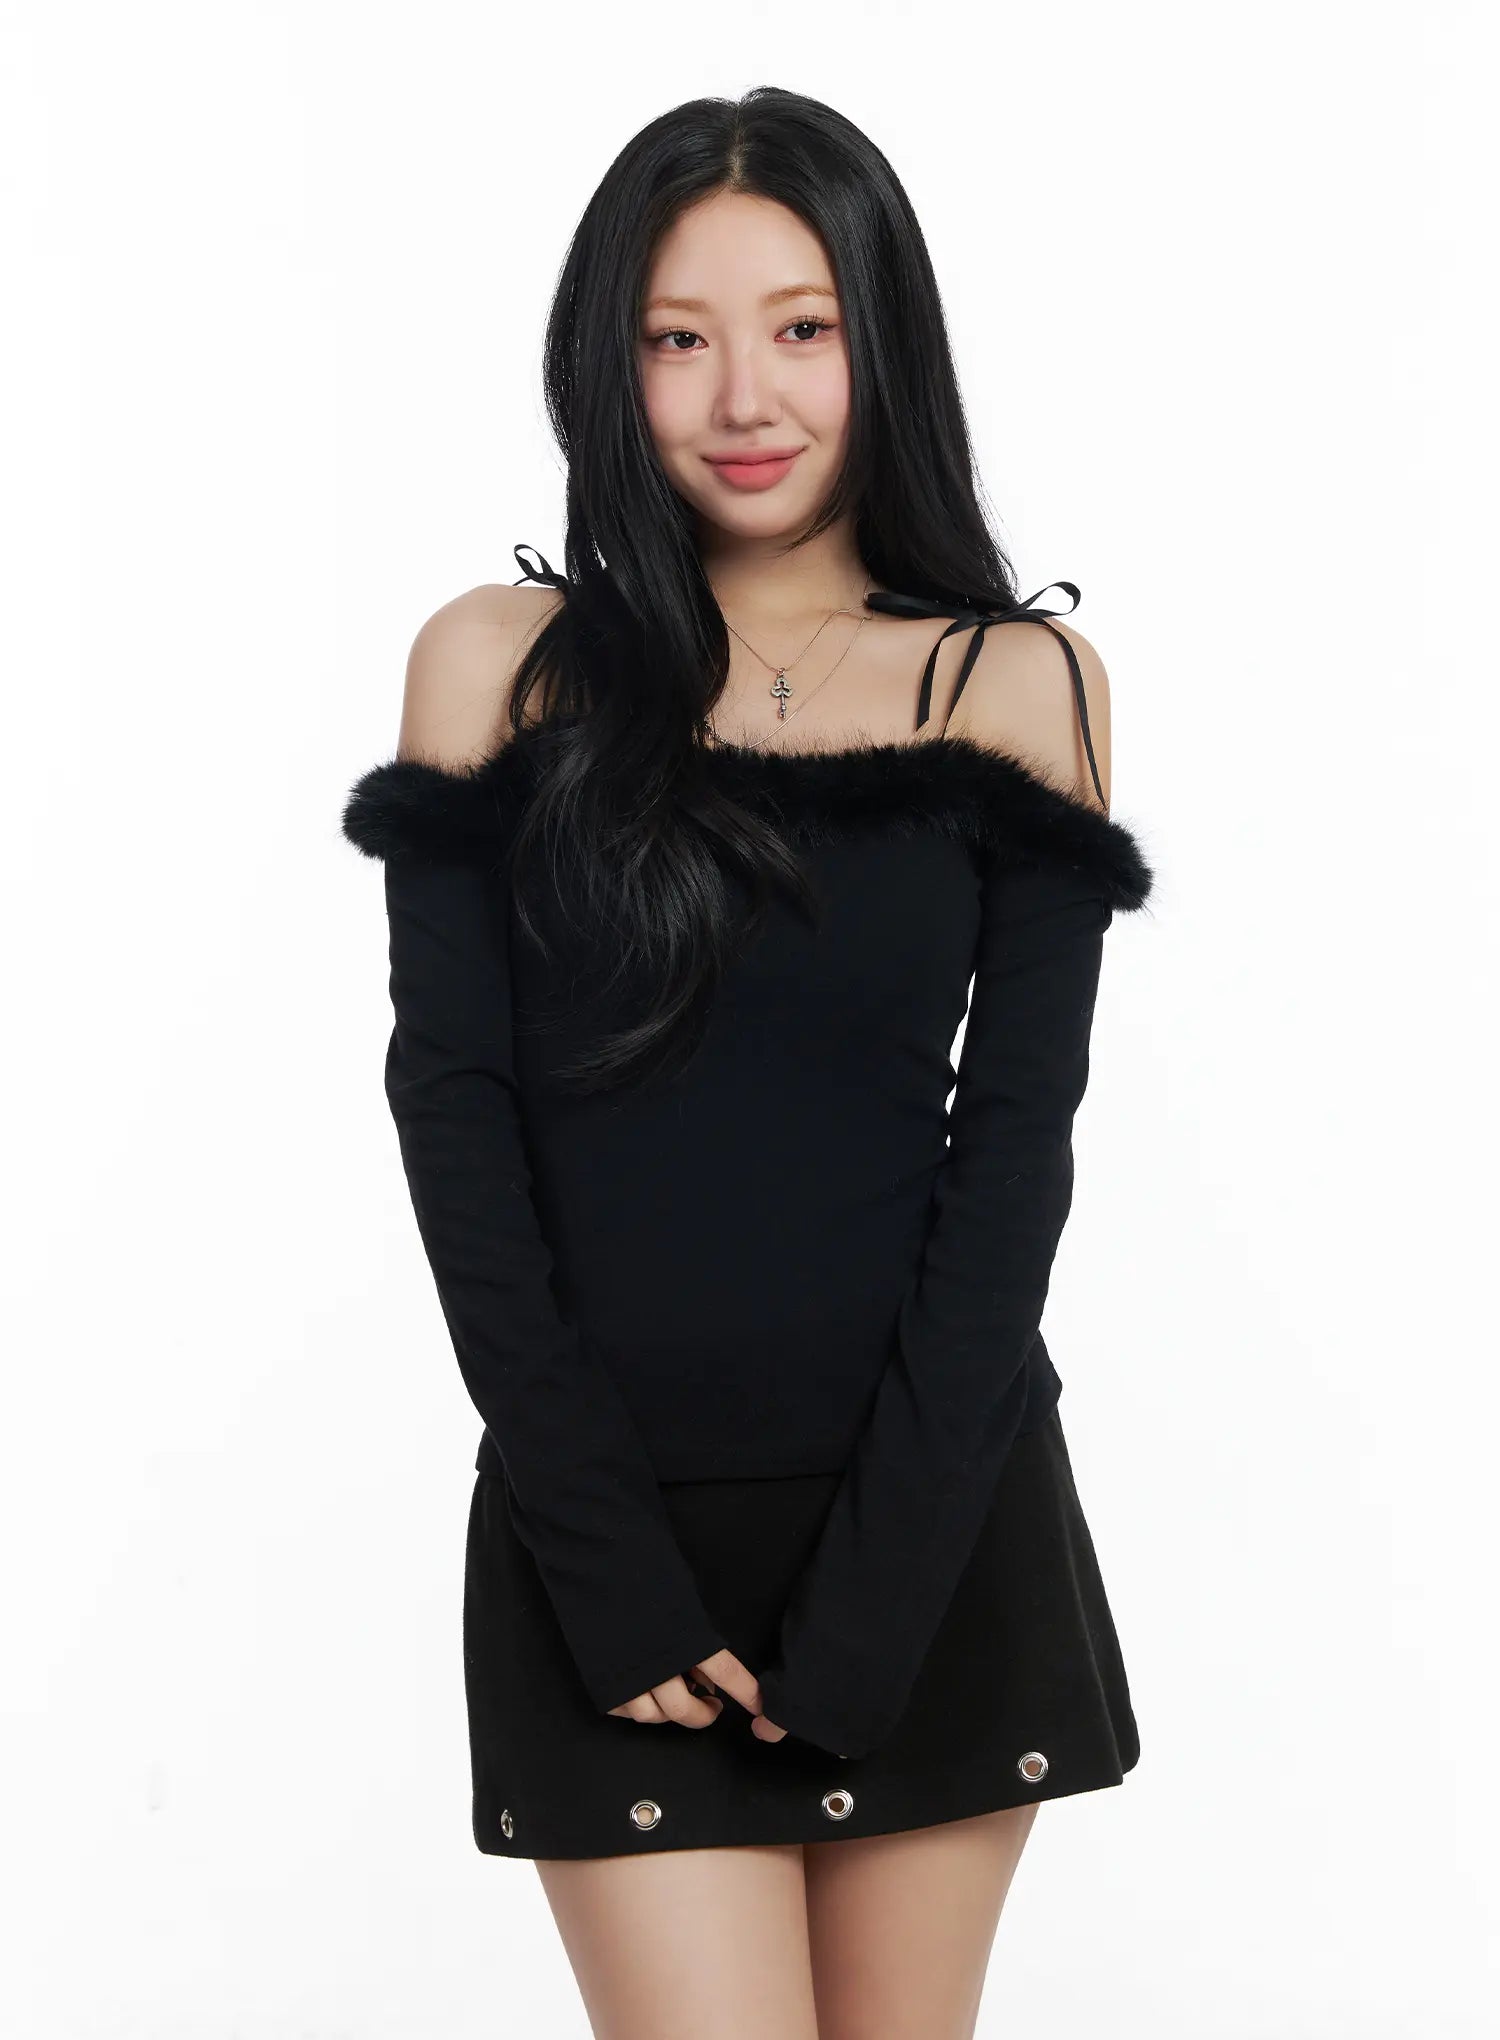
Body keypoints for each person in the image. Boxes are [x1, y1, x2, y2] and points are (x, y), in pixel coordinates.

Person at [341, 85, 1155, 2040]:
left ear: (885, 335)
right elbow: (456, 1122)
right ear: (605, 362)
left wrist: (882, 1596)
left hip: (934, 1525)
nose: (743, 396)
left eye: (802, 326)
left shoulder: (1014, 681)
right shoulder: (499, 665)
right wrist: (601, 1563)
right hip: (608, 1533)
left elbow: (1013, 1161)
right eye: (676, 336)